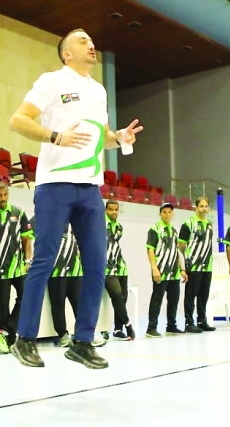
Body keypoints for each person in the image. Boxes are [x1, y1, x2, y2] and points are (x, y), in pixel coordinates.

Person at [8, 28, 143, 370]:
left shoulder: (98, 91)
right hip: (55, 184)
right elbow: (18, 120)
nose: (91, 45)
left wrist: (120, 138)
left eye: (92, 41)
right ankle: (24, 338)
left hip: (90, 187)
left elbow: (104, 138)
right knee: (45, 259)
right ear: (67, 53)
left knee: (97, 264)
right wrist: (55, 136)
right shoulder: (52, 81)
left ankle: (82, 342)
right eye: (82, 41)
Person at [0, 181, 33, 353]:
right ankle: (9, 341)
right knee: (1, 306)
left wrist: (27, 261)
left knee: (26, 297)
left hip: (17, 266)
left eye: (5, 195)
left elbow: (27, 239)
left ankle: (5, 331)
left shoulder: (19, 212)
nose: (3, 198)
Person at [145, 203, 187, 338]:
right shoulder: (155, 229)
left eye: (170, 212)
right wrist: (154, 268)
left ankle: (171, 326)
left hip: (174, 272)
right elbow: (150, 249)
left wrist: (182, 269)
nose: (167, 214)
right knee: (157, 299)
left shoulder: (174, 230)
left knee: (174, 300)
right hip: (161, 271)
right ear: (160, 214)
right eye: (164, 212)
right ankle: (151, 328)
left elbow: (177, 251)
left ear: (173, 214)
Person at [179, 196, 215, 333]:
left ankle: (202, 320)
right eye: (201, 206)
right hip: (193, 265)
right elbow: (181, 245)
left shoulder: (209, 224)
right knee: (190, 295)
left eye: (206, 206)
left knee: (203, 295)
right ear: (196, 207)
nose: (204, 209)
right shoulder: (188, 224)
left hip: (207, 266)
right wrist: (186, 262)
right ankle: (189, 322)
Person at [47, 224, 83, 347]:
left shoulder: (78, 221)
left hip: (76, 270)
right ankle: (62, 335)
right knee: (58, 305)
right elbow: (31, 237)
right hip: (56, 270)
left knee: (80, 304)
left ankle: (84, 334)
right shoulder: (49, 218)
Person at [104, 200, 135, 340]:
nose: (114, 212)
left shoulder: (119, 227)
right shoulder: (100, 224)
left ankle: (117, 330)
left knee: (123, 298)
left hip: (120, 267)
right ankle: (128, 324)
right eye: (111, 209)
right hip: (106, 268)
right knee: (117, 295)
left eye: (116, 210)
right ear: (106, 210)